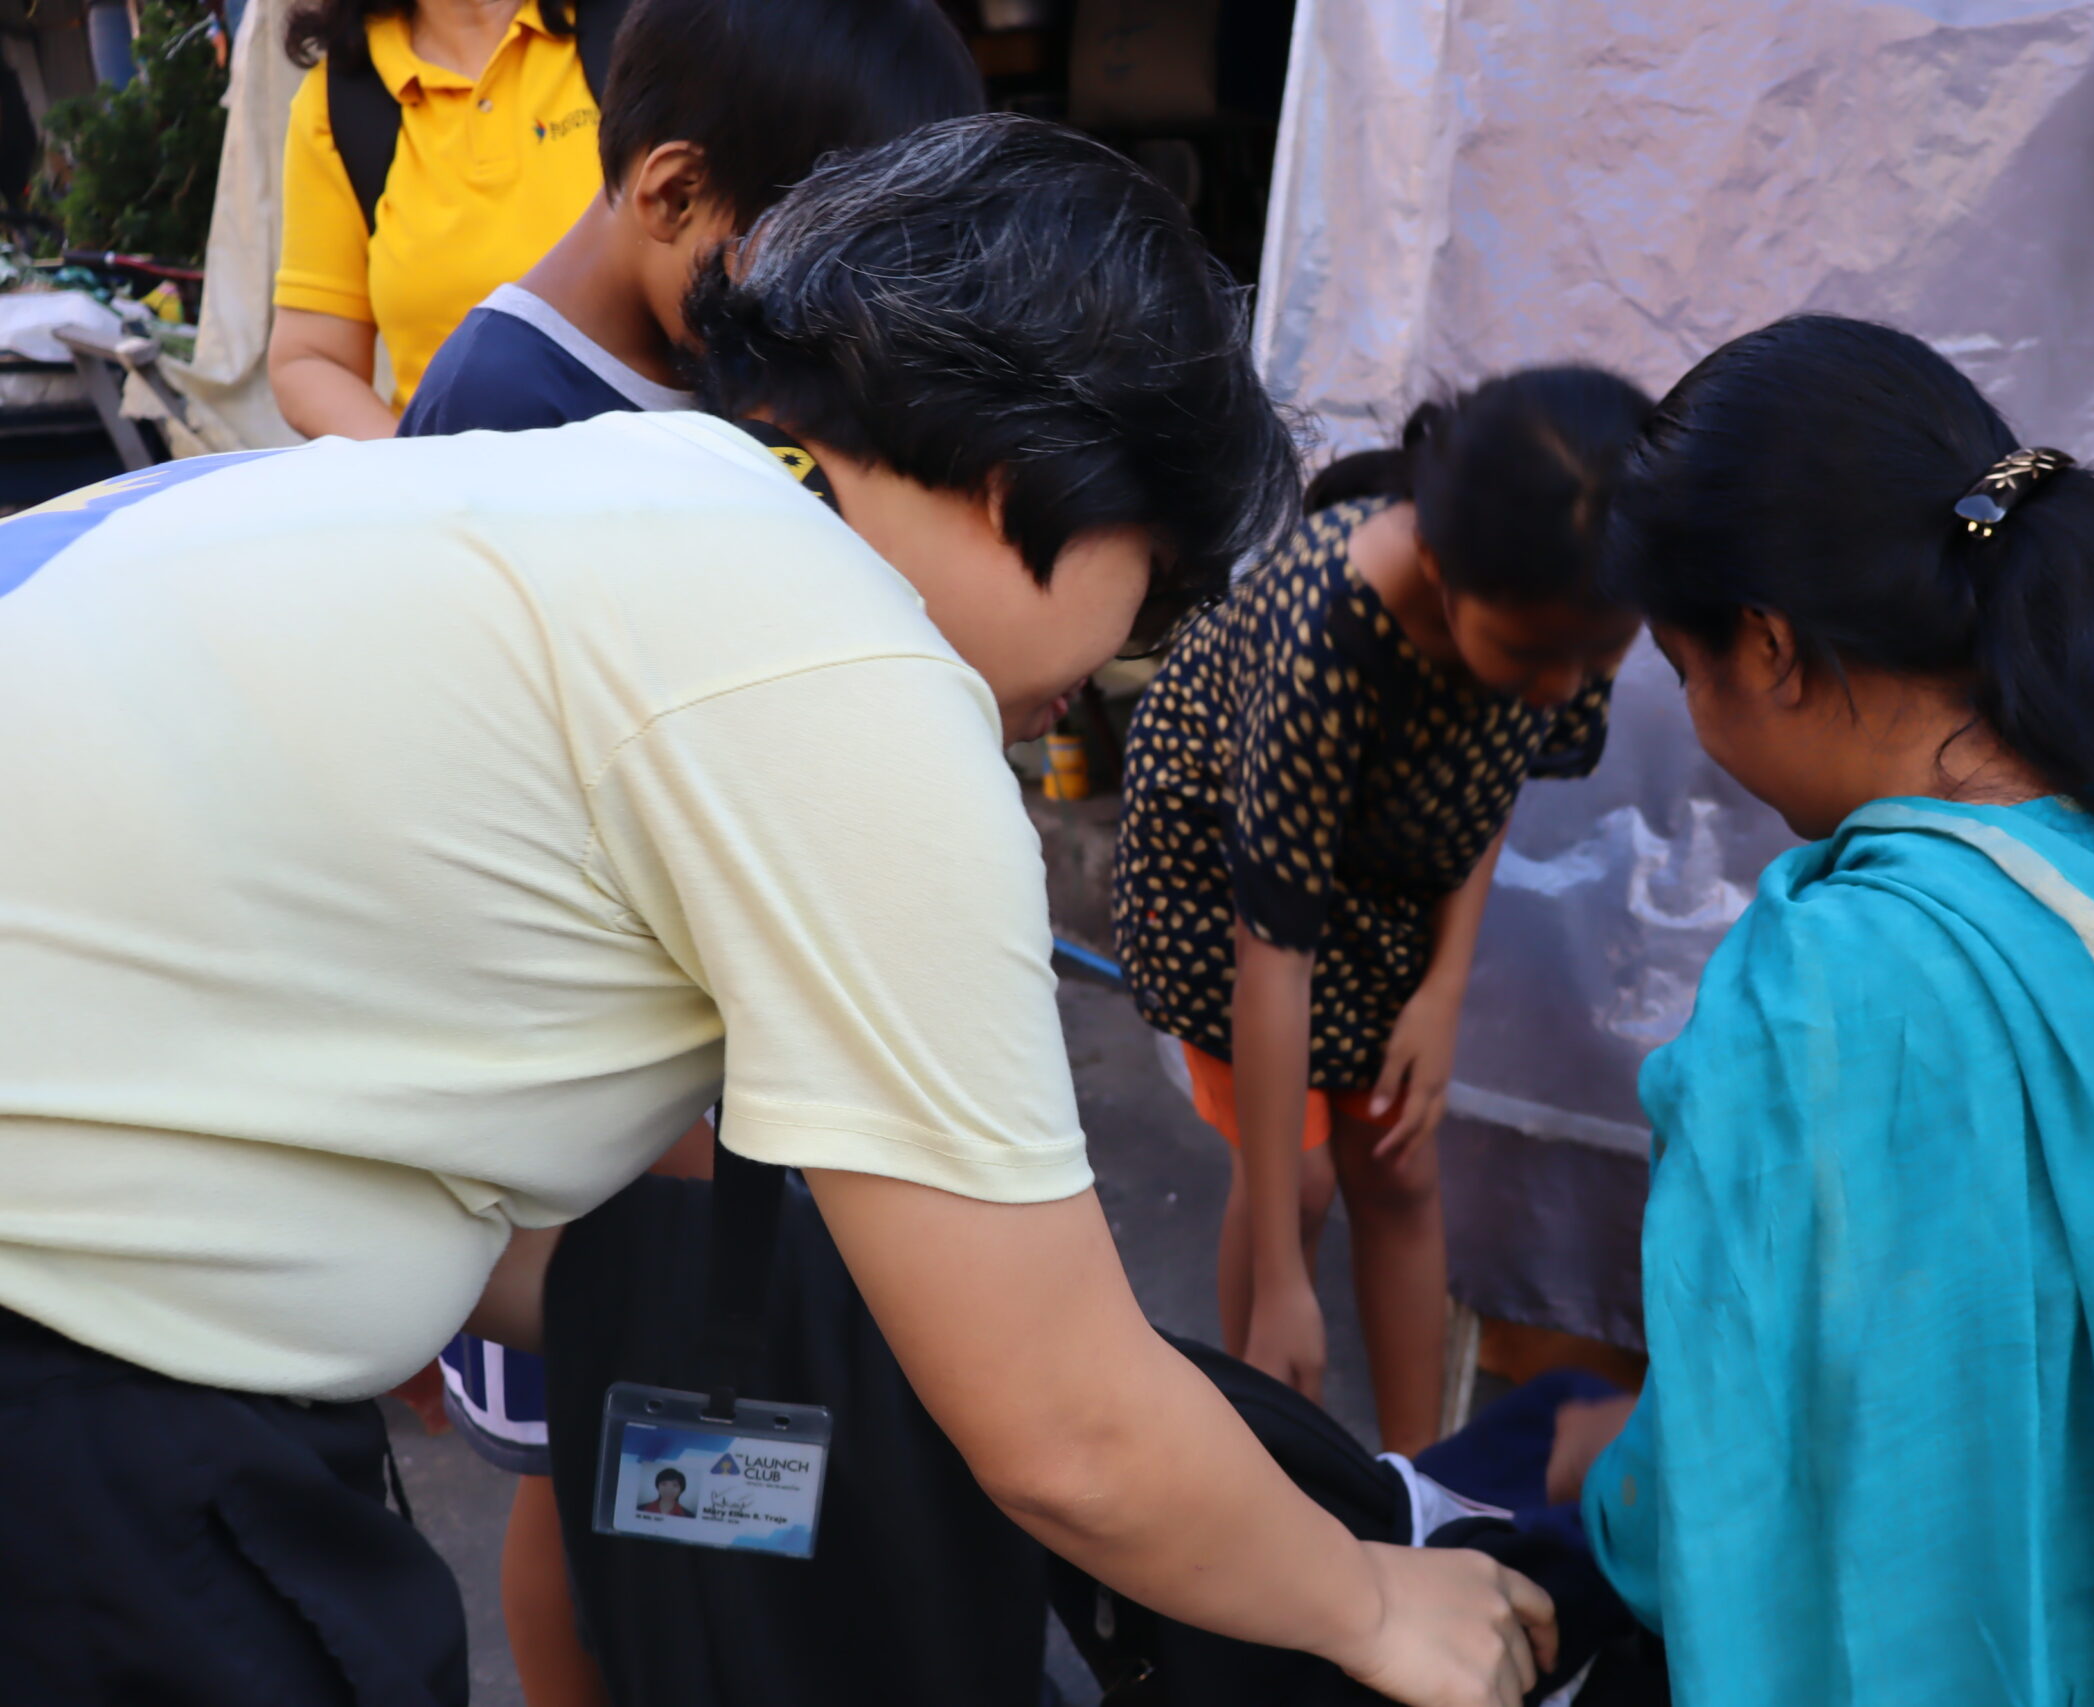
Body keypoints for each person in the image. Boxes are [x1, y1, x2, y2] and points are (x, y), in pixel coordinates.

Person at [0, 116, 1552, 1707]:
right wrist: (1372, 1599)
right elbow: (1068, 1431)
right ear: (1034, 479)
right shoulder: (850, 668)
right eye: (1146, 581)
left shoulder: (623, 489)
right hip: (75, 1388)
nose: (1120, 653)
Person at [1567, 314, 2094, 1704]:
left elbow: (1734, 1498)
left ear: (1771, 646)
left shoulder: (1835, 983)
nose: (1708, 733)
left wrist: (1605, 1490)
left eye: (1686, 671)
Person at [394, 7, 978, 1698]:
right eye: (814, 262)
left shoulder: (710, 362)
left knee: (706, 1459)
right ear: (669, 194)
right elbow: (485, 811)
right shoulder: (506, 409)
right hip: (567, 1080)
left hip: (700, 1053)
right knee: (583, 1460)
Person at [1112, 370, 1648, 1456]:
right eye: (1530, 657)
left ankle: (1417, 1484)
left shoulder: (1567, 608)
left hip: (1381, 867)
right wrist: (1283, 1285)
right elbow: (1274, 955)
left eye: (1594, 660)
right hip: (1222, 867)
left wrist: (1441, 993)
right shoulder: (1326, 632)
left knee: (1400, 1160)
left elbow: (1485, 790)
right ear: (1440, 569)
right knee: (1297, 1179)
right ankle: (1271, 1449)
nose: (1559, 688)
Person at [401, 0, 980, 435]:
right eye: (807, 275)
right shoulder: (493, 408)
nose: (829, 318)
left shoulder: (760, 370)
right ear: (675, 197)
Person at [269, 0, 609, 438]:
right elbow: (311, 356)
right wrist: (418, 468)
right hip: (445, 472)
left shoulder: (645, 29)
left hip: (652, 466)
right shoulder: (341, 100)